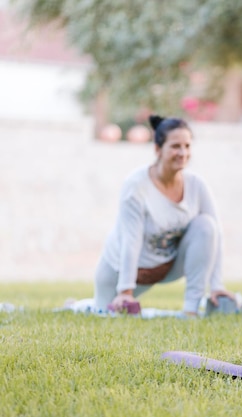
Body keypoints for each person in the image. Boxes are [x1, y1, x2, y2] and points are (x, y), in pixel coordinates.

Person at [94, 114, 233, 315]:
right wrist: (125, 291)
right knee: (102, 313)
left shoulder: (196, 185)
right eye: (176, 146)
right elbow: (130, 241)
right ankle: (76, 305)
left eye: (187, 146)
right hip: (121, 272)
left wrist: (217, 285)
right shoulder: (135, 186)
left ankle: (191, 310)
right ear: (157, 149)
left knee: (206, 225)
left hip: (166, 267)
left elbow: (215, 235)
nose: (183, 152)